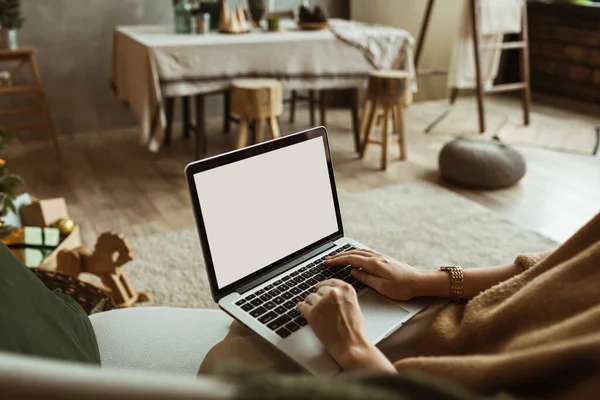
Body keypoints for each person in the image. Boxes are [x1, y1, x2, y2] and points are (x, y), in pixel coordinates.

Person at [201, 212, 600, 398]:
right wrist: (425, 280)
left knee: (226, 364)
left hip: (428, 381)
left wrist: (355, 349)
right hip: (461, 321)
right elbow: (549, 267)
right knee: (255, 322)